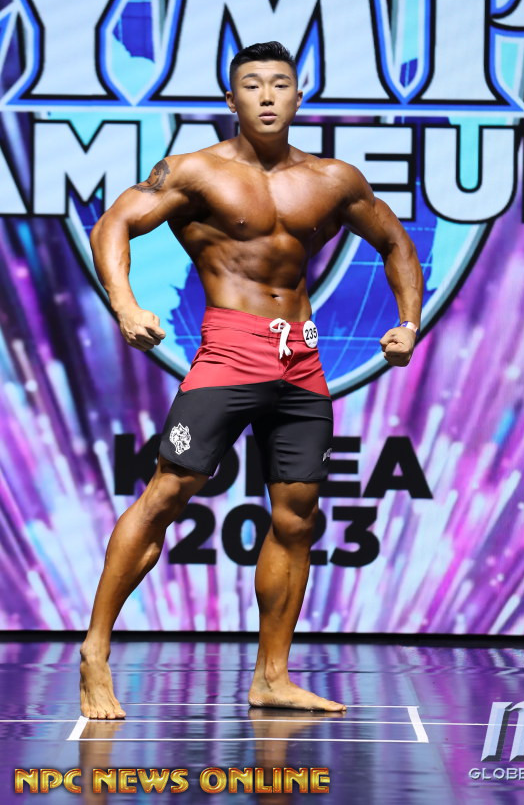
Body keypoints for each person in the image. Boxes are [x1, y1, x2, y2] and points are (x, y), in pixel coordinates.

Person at [79, 40, 423, 719]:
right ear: (231, 99)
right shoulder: (195, 171)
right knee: (167, 494)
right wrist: (125, 304)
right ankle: (94, 652)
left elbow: (396, 244)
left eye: (280, 83)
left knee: (297, 517)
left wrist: (408, 323)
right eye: (252, 85)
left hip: (303, 361)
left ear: (299, 95)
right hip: (230, 354)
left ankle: (272, 677)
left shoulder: (334, 179)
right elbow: (114, 224)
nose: (267, 95)